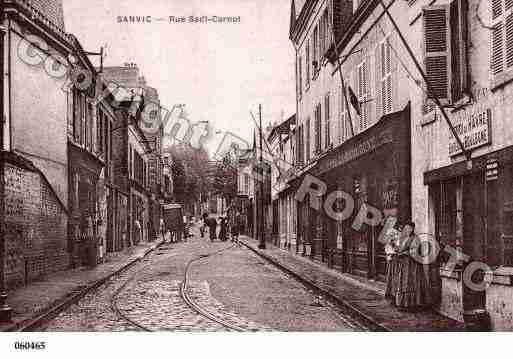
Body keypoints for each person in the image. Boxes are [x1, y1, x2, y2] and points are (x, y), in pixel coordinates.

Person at [394, 221, 433, 310]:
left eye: (408, 228)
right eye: (406, 228)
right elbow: (401, 249)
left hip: (412, 265)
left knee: (411, 283)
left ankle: (413, 304)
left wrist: (403, 253)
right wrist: (397, 250)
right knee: (404, 283)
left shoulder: (416, 238)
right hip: (405, 264)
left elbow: (415, 252)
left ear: (412, 229)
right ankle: (404, 303)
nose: (407, 230)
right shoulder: (405, 238)